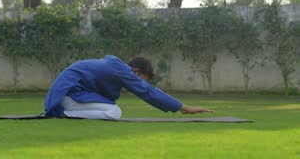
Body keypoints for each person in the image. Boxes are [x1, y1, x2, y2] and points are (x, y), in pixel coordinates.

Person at [44, 55, 214, 119]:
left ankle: (66, 112)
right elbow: (148, 92)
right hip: (66, 96)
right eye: (141, 79)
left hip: (69, 95)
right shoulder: (122, 71)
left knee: (112, 108)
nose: (140, 83)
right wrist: (184, 107)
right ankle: (65, 114)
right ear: (136, 71)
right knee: (114, 112)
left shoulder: (116, 68)